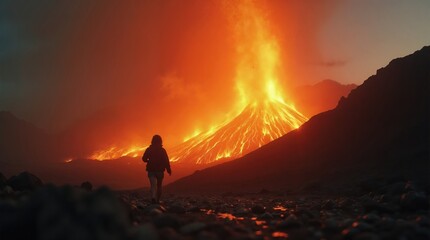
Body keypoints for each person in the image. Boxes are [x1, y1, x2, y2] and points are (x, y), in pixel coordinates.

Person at [142, 134, 171, 204]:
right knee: (159, 185)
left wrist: (148, 161)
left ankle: (153, 197)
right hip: (160, 171)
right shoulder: (162, 150)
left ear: (152, 141)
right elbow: (166, 160)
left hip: (151, 170)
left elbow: (143, 158)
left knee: (153, 185)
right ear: (160, 141)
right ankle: (157, 200)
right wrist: (168, 169)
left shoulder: (149, 149)